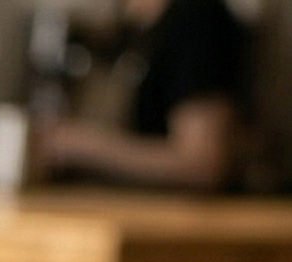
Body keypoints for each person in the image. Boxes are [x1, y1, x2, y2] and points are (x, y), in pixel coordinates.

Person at [43, 0, 245, 193]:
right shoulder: (136, 26)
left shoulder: (197, 19)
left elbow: (202, 163)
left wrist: (82, 146)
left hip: (183, 222)